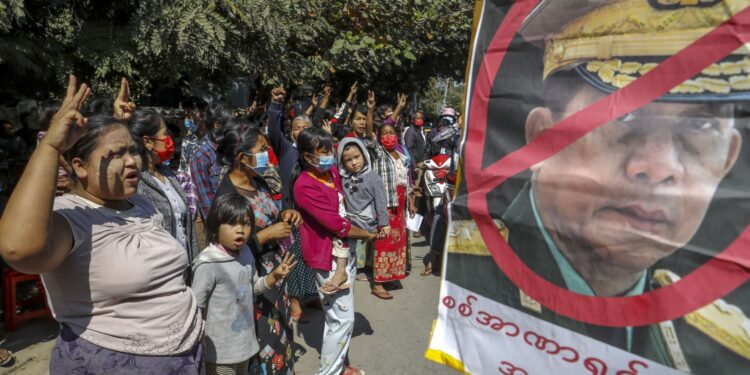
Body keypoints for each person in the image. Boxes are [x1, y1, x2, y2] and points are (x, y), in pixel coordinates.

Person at [447, 0, 749, 373]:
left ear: (728, 159)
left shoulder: (720, 346)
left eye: (700, 127)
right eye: (626, 114)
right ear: (541, 138)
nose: (659, 168)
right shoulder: (470, 275)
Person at [0, 76, 203, 373]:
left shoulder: (140, 203)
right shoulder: (69, 216)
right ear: (80, 167)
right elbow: (19, 250)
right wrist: (51, 147)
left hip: (184, 359)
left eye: (132, 151)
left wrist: (118, 122)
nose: (132, 161)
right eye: (116, 155)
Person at [214, 120, 303, 374]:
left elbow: (270, 212)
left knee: (282, 339)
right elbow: (225, 251)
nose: (269, 155)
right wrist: (265, 235)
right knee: (264, 346)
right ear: (243, 157)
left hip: (276, 278)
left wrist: (285, 215)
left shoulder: (259, 182)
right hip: (253, 283)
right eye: (262, 149)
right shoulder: (228, 197)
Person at [292, 127, 376, 375]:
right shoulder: (304, 185)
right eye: (324, 151)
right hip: (326, 257)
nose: (331, 154)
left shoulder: (329, 173)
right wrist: (367, 234)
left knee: (337, 318)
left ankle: (340, 367)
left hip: (343, 252)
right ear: (308, 157)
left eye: (330, 149)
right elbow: (337, 224)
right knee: (342, 320)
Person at [192, 193, 297, 375]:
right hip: (219, 353)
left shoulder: (246, 252)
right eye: (232, 223)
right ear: (215, 227)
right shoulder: (208, 264)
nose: (240, 230)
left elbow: (253, 287)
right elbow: (195, 307)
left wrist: (274, 276)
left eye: (246, 224)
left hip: (244, 346)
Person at [130, 108, 199, 281]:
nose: (169, 140)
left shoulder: (169, 174)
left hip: (185, 269)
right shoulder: (136, 182)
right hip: (160, 275)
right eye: (164, 134)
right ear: (148, 142)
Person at [320, 137, 390, 294]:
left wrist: (384, 223)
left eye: (357, 157)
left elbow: (381, 202)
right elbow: (329, 165)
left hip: (366, 222)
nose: (354, 162)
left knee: (341, 235)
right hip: (350, 219)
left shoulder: (373, 177)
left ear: (364, 155)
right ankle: (345, 273)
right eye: (348, 160)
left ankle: (341, 272)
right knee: (342, 241)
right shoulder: (343, 177)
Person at [368, 98, 414, 299]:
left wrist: (411, 201)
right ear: (378, 138)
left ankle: (391, 276)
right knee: (384, 241)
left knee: (398, 240)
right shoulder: (378, 152)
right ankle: (378, 282)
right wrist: (371, 110)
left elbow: (406, 181)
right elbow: (369, 132)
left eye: (391, 133)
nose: (388, 136)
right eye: (384, 134)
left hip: (401, 203)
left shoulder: (400, 154)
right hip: (385, 204)